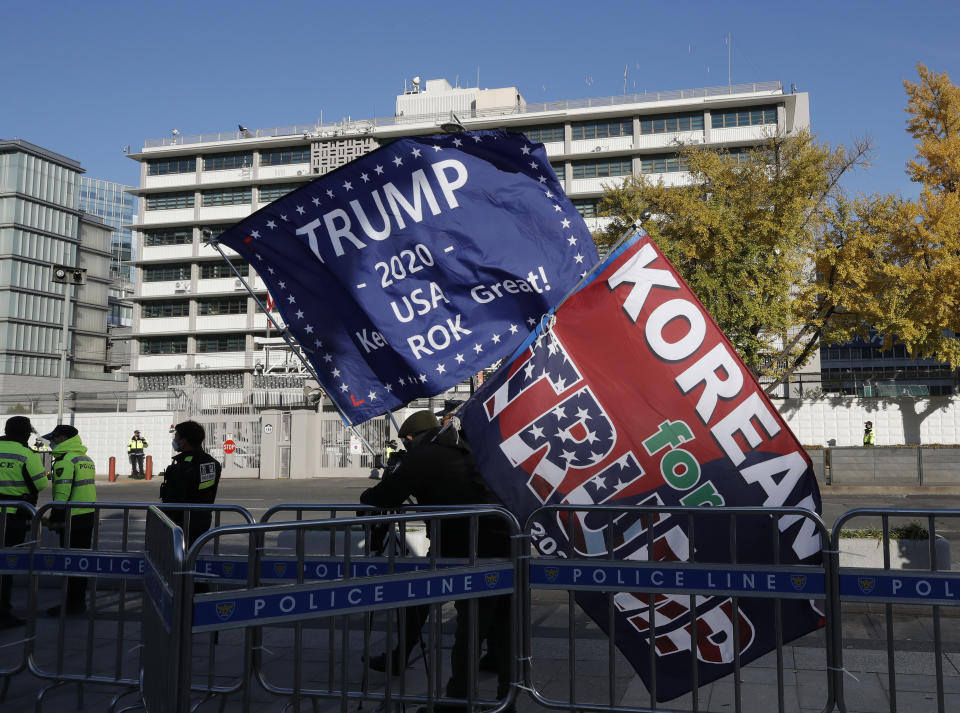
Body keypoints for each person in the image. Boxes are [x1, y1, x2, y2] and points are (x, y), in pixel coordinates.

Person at [360, 410, 512, 706]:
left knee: (469, 622)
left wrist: (369, 494)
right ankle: (506, 693)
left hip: (465, 545)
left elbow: (383, 496)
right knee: (501, 619)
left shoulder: (424, 456)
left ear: (409, 438)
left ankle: (457, 699)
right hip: (498, 538)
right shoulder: (464, 448)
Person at [43, 424, 97, 616]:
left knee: (69, 561)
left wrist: (56, 516)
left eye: (54, 438)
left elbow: (62, 492)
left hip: (71, 516)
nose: (51, 442)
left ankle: (71, 605)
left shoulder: (65, 460)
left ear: (62, 438)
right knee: (80, 560)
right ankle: (78, 602)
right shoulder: (85, 458)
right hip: (87, 514)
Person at [0, 416, 48, 628]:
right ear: (26, 433)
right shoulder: (26, 454)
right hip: (13, 515)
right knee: (6, 564)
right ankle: (2, 612)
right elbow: (41, 483)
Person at [159, 420, 221, 546]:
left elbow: (174, 500)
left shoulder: (183, 467)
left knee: (178, 558)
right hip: (202, 521)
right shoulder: (212, 463)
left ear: (184, 440)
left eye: (176, 436)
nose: (174, 439)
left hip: (180, 524)